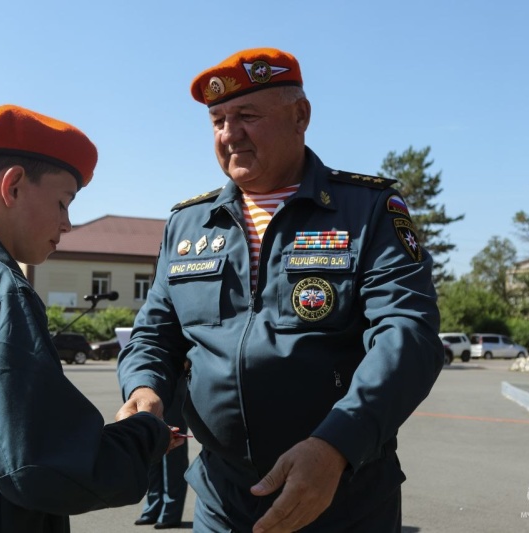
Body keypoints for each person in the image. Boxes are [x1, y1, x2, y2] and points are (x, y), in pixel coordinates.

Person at [116, 48, 444, 532]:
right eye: (218, 120)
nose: (229, 134)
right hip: (223, 498)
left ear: (300, 117)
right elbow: (155, 333)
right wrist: (143, 388)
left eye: (247, 115)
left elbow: (407, 334)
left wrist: (338, 444)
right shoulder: (187, 224)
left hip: (341, 491)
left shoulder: (367, 210)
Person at [0, 104, 183, 533]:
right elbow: (40, 465)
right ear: (13, 186)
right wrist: (145, 435)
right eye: (63, 203)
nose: (66, 224)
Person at [133, 376, 189, 529]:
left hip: (172, 379)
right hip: (146, 382)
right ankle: (153, 508)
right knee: (151, 450)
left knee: (173, 452)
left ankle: (170, 512)